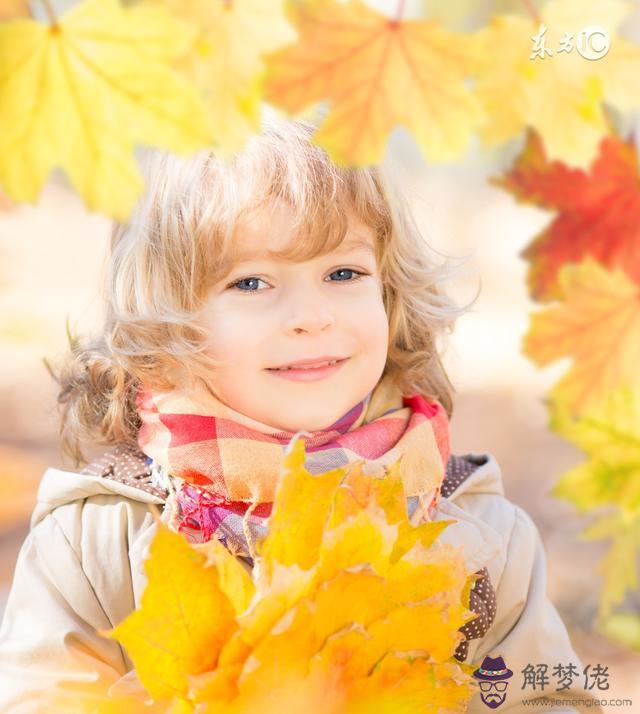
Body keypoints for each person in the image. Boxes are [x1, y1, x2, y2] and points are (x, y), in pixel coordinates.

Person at [0, 113, 602, 713]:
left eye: (343, 273)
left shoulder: (482, 534)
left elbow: (547, 698)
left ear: (390, 295)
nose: (312, 316)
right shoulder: (97, 542)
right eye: (252, 283)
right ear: (165, 323)